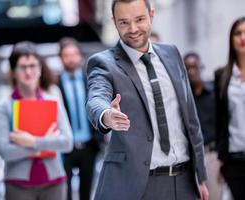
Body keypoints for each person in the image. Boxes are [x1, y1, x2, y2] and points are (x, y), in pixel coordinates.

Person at [85, 0, 209, 199]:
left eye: (139, 19)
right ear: (114, 22)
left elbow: (191, 120)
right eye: (124, 22)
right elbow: (96, 98)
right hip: (139, 186)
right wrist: (106, 115)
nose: (133, 29)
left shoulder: (172, 54)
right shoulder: (103, 63)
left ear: (151, 15)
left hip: (185, 182)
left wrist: (201, 177)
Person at [0, 41, 73, 200]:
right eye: (22, 67)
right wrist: (47, 144)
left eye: (33, 65)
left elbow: (67, 143)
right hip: (18, 185)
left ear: (40, 69)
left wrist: (31, 141)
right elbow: (5, 152)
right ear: (13, 71)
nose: (28, 71)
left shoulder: (53, 100)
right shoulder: (3, 107)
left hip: (54, 181)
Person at [57, 37, 102, 200]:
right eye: (66, 55)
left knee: (87, 193)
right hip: (65, 148)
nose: (71, 58)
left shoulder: (91, 81)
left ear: (80, 56)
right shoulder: (54, 85)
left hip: (89, 146)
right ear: (60, 58)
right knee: (65, 193)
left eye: (74, 54)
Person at [184, 52, 222, 200]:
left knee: (214, 196)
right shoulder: (184, 99)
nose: (191, 71)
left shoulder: (214, 95)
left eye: (194, 67)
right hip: (190, 158)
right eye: (187, 68)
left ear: (201, 68)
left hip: (211, 155)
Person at [214, 16, 245, 200]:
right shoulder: (222, 76)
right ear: (231, 39)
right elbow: (220, 119)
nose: (242, 38)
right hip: (233, 158)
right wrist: (220, 157)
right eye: (238, 33)